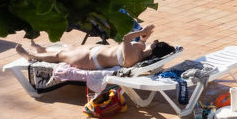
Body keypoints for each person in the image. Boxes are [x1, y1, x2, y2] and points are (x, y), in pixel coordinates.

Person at [16, 22, 162, 71]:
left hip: (91, 60)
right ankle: (42, 50)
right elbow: (138, 45)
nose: (153, 42)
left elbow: (125, 39)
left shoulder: (133, 58)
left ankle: (31, 56)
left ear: (153, 51)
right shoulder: (141, 51)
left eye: (155, 44)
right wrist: (144, 39)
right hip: (95, 52)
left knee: (60, 56)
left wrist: (142, 32)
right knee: (69, 49)